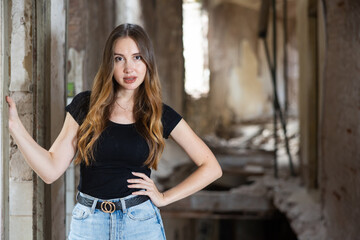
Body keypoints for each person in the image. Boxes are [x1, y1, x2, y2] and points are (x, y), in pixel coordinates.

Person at [6, 23, 222, 240]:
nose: (129, 68)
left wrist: (164, 197)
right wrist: (15, 127)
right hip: (89, 224)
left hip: (140, 224)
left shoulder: (158, 113)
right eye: (119, 59)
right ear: (110, 64)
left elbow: (211, 167)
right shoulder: (85, 106)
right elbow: (50, 170)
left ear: (148, 62)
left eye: (137, 57)